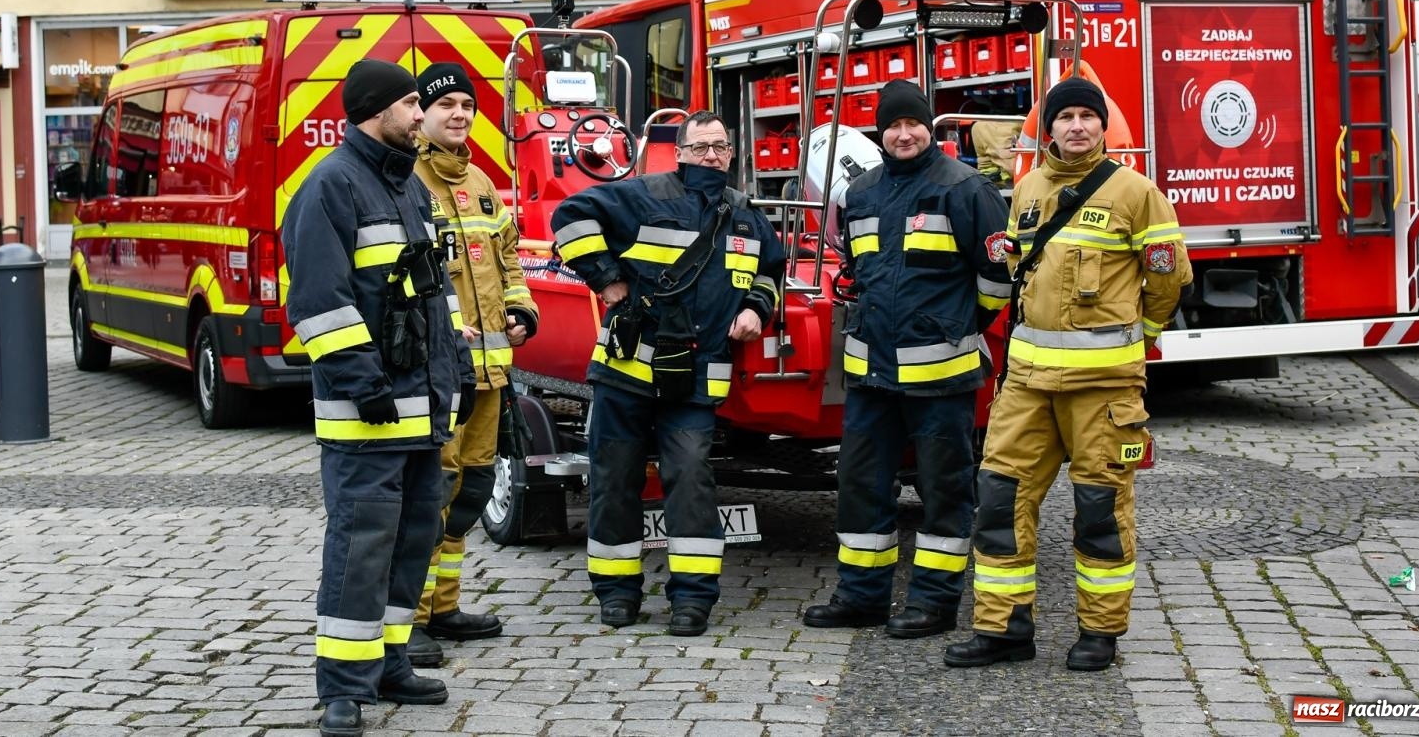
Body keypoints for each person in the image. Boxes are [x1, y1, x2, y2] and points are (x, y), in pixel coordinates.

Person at [944, 76, 1191, 672]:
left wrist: (1140, 342)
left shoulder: (1138, 193)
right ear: (1047, 127)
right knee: (1000, 501)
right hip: (1027, 386)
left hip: (1103, 391)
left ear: (1103, 126)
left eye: (1087, 115)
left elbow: (1168, 282)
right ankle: (1003, 630)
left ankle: (1099, 634)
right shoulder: (1026, 189)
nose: (1076, 126)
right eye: (1065, 117)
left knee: (1100, 510)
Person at [281, 58, 477, 737]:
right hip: (367, 412)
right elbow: (317, 304)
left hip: (421, 410)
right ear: (377, 109)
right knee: (362, 545)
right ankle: (342, 685)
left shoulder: (407, 188)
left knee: (412, 538)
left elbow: (430, 299)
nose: (422, 115)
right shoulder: (330, 187)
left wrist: (455, 375)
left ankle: (389, 662)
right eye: (411, 105)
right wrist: (364, 386)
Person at [551, 111, 785, 636]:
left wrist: (755, 308)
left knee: (691, 484)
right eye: (700, 147)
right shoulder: (641, 195)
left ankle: (693, 600)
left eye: (720, 147)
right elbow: (569, 217)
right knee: (614, 482)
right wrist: (607, 280)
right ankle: (616, 594)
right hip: (626, 373)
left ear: (731, 154)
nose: (711, 156)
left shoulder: (745, 216)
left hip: (697, 379)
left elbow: (771, 271)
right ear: (678, 152)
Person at [803, 80, 1010, 638]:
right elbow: (860, 272)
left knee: (945, 491)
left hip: (941, 376)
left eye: (912, 123)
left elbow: (997, 279)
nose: (903, 134)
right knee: (861, 482)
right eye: (892, 125)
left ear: (929, 125)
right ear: (880, 132)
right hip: (872, 374)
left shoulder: (967, 189)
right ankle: (862, 595)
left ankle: (934, 602)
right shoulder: (862, 193)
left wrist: (955, 326)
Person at [407, 63, 538, 668]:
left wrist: (521, 310)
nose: (459, 114)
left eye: (468, 105)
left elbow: (508, 261)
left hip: (489, 374)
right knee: (429, 494)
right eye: (447, 105)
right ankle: (405, 619)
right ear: (422, 112)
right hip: (439, 374)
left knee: (470, 489)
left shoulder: (482, 183)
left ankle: (445, 607)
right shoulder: (407, 182)